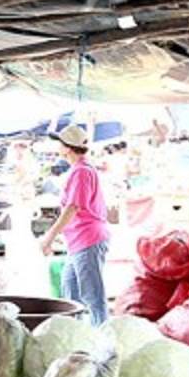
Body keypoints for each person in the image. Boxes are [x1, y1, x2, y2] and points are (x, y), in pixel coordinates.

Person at [38, 125, 111, 325]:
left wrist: (49, 237)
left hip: (88, 240)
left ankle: (102, 336)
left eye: (60, 143)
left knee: (92, 296)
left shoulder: (81, 172)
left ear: (67, 148)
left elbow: (73, 207)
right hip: (78, 242)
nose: (57, 146)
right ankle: (76, 333)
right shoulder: (79, 169)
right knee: (70, 292)